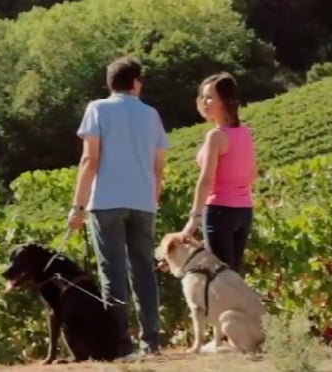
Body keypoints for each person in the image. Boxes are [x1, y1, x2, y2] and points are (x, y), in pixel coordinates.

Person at [67, 55, 168, 358]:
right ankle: (152, 343)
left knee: (113, 274)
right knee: (144, 272)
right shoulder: (152, 115)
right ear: (136, 83)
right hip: (143, 201)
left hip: (107, 202)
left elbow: (90, 159)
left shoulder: (97, 109)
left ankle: (122, 345)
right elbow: (159, 166)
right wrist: (152, 198)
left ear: (110, 83)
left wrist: (78, 206)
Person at [180, 71, 258, 352]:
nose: (203, 101)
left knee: (217, 278)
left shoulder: (216, 136)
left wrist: (193, 218)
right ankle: (236, 334)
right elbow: (253, 173)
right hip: (243, 209)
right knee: (233, 274)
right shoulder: (245, 132)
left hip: (220, 211)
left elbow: (206, 180)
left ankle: (219, 340)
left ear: (224, 101)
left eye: (209, 96)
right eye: (202, 96)